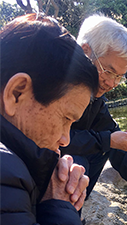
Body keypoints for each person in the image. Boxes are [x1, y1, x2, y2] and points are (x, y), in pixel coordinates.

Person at [0, 13, 99, 225]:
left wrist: (47, 186)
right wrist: (58, 204)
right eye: (65, 118)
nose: (65, 139)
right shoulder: (4, 172)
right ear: (16, 93)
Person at [61, 14, 127, 205]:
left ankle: (72, 212)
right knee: (79, 159)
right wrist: (107, 140)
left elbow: (109, 132)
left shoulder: (95, 97)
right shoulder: (57, 85)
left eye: (119, 77)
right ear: (85, 52)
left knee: (105, 145)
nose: (112, 83)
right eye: (109, 71)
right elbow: (56, 140)